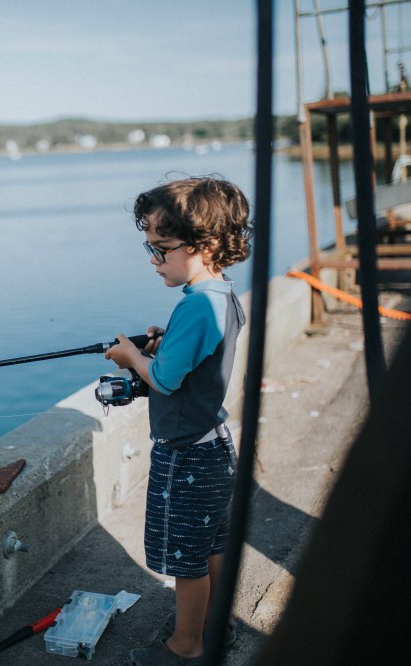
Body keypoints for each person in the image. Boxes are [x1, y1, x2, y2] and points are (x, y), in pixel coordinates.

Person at [104, 175, 253, 666]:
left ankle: (186, 646)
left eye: (162, 249)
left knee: (186, 560)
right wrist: (164, 343)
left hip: (185, 455)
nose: (154, 260)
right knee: (212, 546)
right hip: (214, 446)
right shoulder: (222, 297)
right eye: (151, 248)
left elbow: (165, 380)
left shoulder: (195, 306)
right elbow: (193, 360)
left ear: (203, 245)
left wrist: (131, 357)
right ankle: (215, 626)